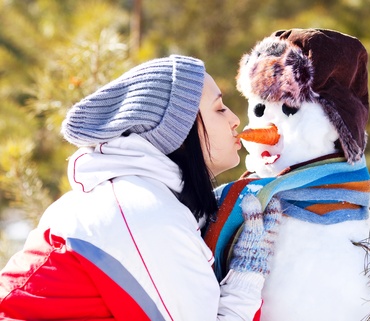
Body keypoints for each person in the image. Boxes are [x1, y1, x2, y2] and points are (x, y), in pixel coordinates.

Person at [0, 55, 281, 320]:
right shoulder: (141, 213)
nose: (234, 120)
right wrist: (247, 275)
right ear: (180, 135)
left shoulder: (134, 200)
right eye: (219, 109)